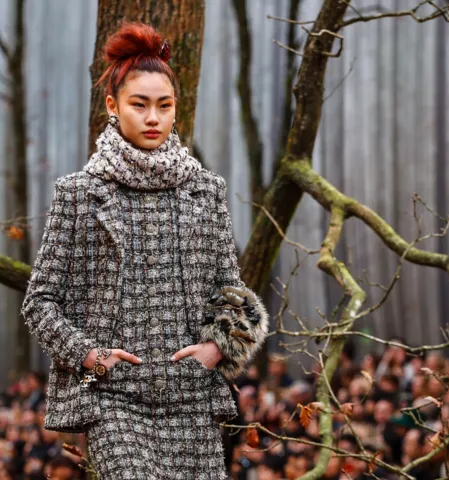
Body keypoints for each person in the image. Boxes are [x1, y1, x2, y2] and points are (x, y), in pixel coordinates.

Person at [21, 22, 269, 479]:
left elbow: (231, 292)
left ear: (176, 108)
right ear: (112, 106)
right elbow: (39, 303)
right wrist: (90, 357)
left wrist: (215, 349)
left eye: (164, 105)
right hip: (109, 394)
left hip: (191, 397)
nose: (153, 117)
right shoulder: (78, 193)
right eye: (139, 104)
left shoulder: (206, 190)